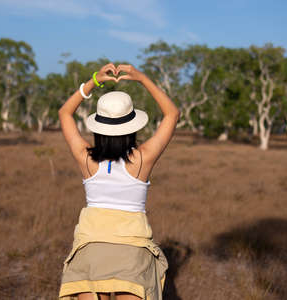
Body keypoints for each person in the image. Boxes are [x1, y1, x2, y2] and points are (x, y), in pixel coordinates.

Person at [58, 63, 180, 300]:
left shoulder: (86, 158)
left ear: (99, 126)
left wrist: (94, 80)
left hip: (90, 250)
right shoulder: (142, 159)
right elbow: (172, 114)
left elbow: (65, 112)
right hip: (133, 253)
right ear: (132, 125)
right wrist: (142, 78)